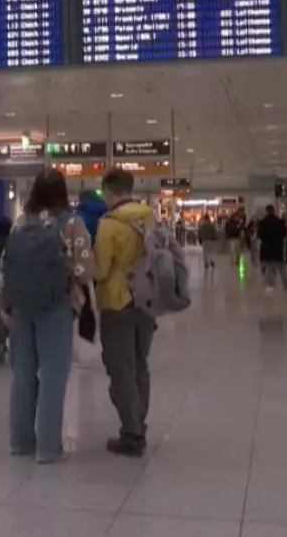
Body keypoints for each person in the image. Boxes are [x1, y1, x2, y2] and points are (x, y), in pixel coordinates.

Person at [0, 169, 95, 463]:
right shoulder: (72, 224)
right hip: (55, 306)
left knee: (22, 373)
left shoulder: (21, 223)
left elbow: (5, 267)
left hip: (21, 306)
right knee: (53, 374)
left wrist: (3, 305)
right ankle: (48, 448)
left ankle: (21, 442)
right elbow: (86, 269)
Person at [94, 169, 156, 457]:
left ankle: (131, 433)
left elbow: (101, 268)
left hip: (117, 302)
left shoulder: (109, 224)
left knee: (121, 367)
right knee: (140, 363)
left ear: (110, 191)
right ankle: (139, 422)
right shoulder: (148, 216)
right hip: (146, 302)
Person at [256, 205, 287, 292]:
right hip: (277, 247)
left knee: (269, 268)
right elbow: (284, 233)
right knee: (281, 268)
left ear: (266, 211)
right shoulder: (279, 221)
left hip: (266, 248)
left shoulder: (263, 222)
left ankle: (270, 286)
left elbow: (259, 235)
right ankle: (286, 285)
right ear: (273, 211)